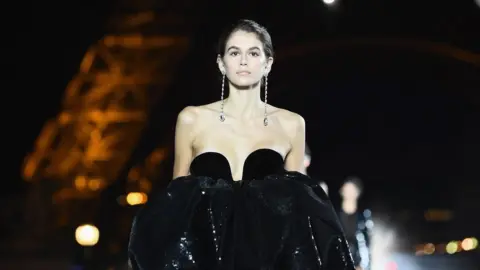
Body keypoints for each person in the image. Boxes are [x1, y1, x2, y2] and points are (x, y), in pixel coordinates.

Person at [128, 19, 355, 270]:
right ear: (221, 63)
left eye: (253, 53)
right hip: (205, 259)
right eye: (234, 52)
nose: (243, 61)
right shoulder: (192, 119)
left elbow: (300, 212)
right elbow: (176, 205)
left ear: (268, 63)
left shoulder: (291, 124)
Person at [338, 177, 373, 270]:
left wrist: (363, 265)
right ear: (342, 191)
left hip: (358, 265)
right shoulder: (334, 215)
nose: (349, 193)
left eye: (352, 190)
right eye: (347, 189)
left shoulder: (363, 218)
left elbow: (367, 244)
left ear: (357, 193)